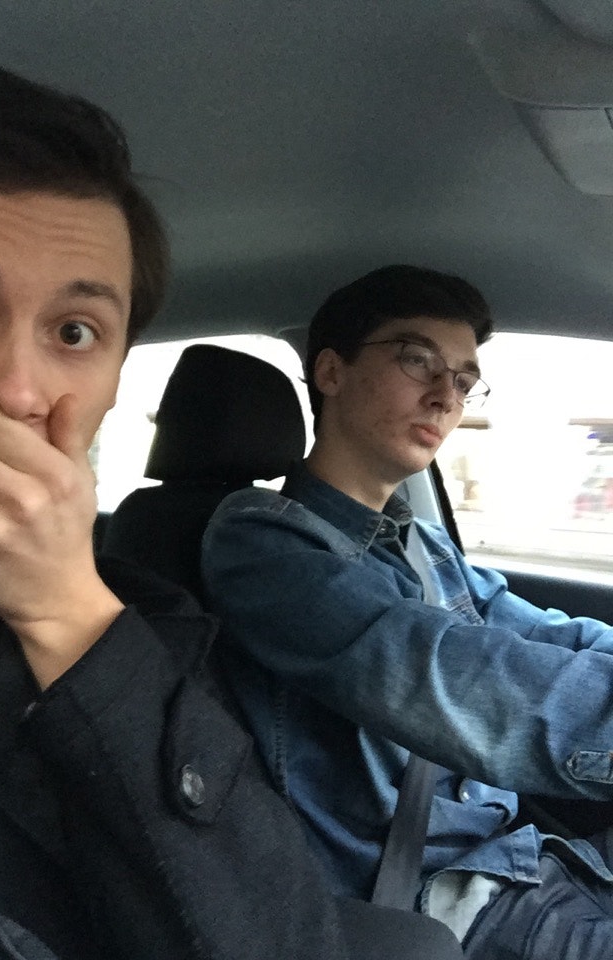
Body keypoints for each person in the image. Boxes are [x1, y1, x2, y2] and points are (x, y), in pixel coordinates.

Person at [0, 66, 462, 959]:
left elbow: (279, 940)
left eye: (74, 331)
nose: (19, 390)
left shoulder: (147, 621)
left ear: (116, 378)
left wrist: (66, 615)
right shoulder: (262, 542)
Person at [201, 263, 613, 960]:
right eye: (417, 359)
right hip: (433, 899)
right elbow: (445, 672)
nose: (445, 397)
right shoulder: (261, 543)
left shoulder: (421, 543)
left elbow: (547, 633)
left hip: (519, 857)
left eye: (463, 380)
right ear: (331, 371)